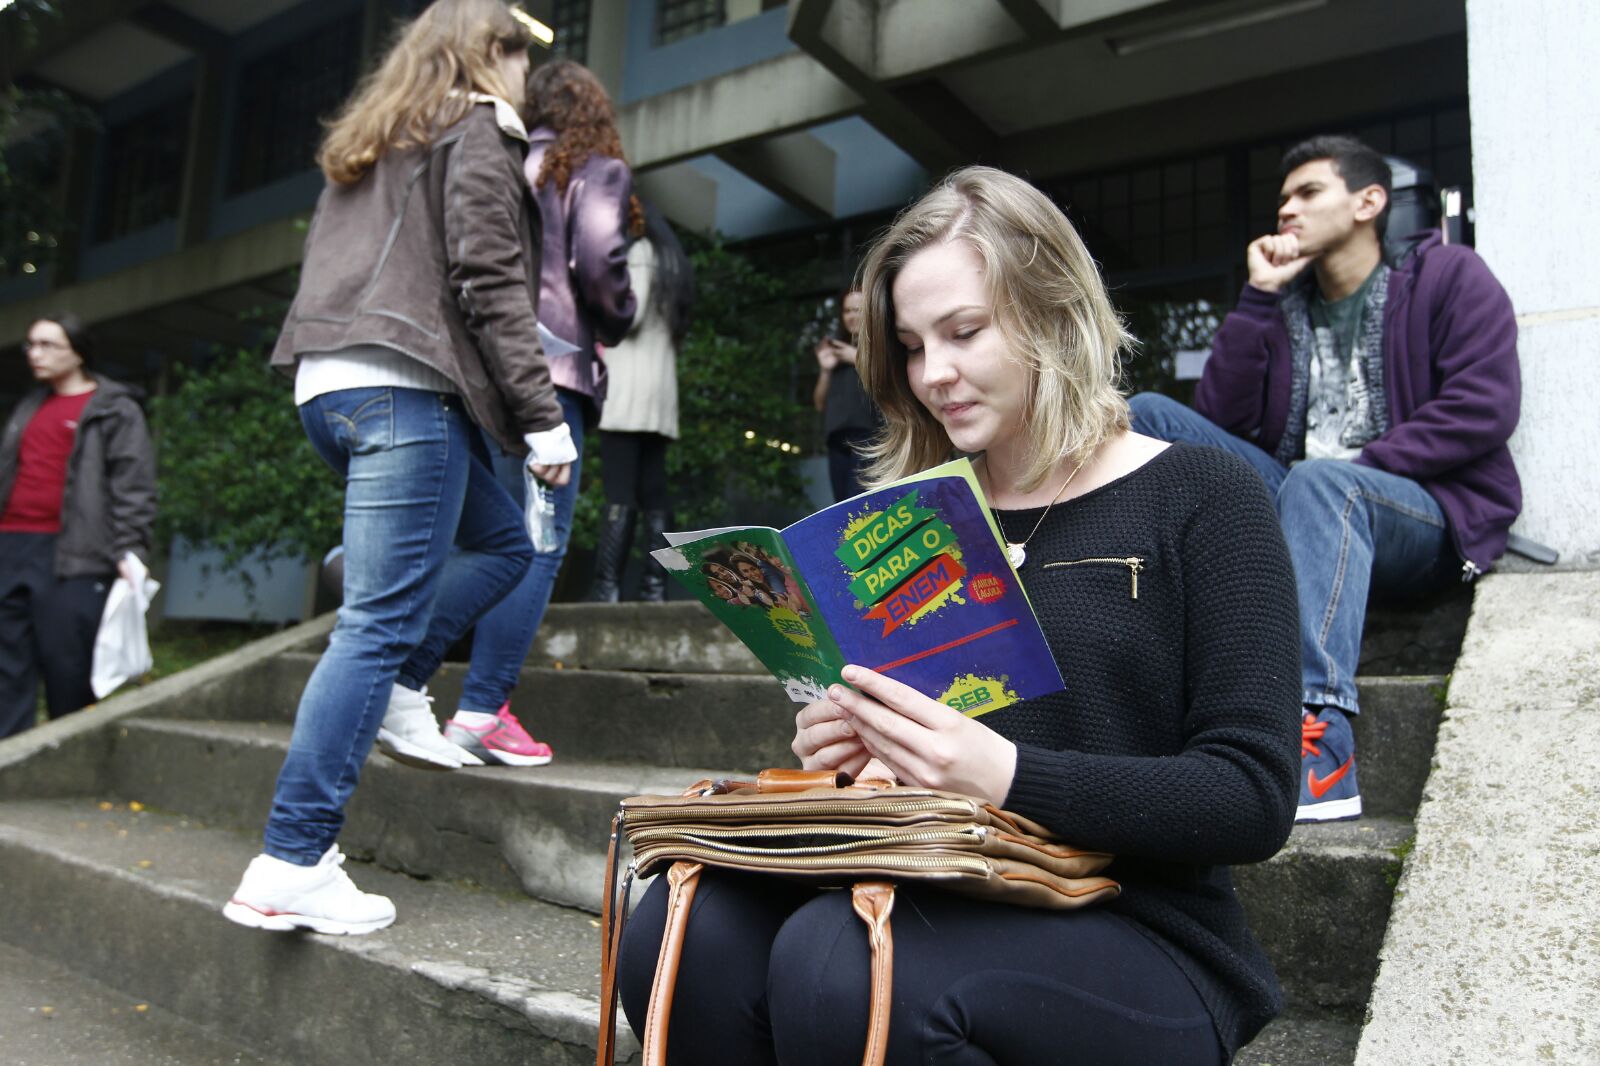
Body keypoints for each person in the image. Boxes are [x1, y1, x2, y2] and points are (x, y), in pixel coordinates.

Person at [616, 166, 1302, 1065]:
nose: (933, 373)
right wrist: (855, 744)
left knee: (844, 964)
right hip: (936, 878)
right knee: (681, 923)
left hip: (1145, 925)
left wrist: (1006, 773)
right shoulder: (904, 523)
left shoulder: (1204, 494)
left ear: (1055, 309)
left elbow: (1251, 795)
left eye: (965, 332)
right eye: (909, 345)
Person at [223, 0, 575, 936]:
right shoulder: (476, 128)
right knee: (372, 624)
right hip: (403, 388)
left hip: (333, 387)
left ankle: (405, 690)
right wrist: (543, 423)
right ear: (488, 54)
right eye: (519, 58)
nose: (525, 78)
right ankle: (292, 858)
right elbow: (489, 278)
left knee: (501, 545)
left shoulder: (379, 136)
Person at [1128, 134, 1521, 823]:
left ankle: (1320, 739)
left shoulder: (1447, 276)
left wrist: (1357, 467)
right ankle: (1145, 664)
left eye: (1308, 193)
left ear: (1369, 201)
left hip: (1423, 513)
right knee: (1150, 416)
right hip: (1306, 500)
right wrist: (1256, 297)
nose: (1286, 210)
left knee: (1321, 482)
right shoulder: (1284, 306)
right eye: (1282, 198)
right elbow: (1219, 420)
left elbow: (1484, 405)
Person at [442, 57, 638, 764]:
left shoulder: (503, 159)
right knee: (536, 545)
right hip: (551, 375)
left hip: (483, 373)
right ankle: (480, 708)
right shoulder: (591, 167)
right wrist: (619, 314)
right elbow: (597, 255)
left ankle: (433, 692)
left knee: (489, 541)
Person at [0, 314, 156, 739]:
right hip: (10, 545)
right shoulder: (29, 406)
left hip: (75, 554)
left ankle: (69, 759)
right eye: (31, 344)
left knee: (68, 666)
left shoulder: (114, 409)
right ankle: (9, 763)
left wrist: (131, 549)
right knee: (7, 665)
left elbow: (133, 484)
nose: (35, 353)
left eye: (48, 344)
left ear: (79, 350)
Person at [588, 201, 695, 603]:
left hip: (626, 390)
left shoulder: (639, 256)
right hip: (658, 394)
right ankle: (654, 587)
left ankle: (607, 588)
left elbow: (626, 317)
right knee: (654, 493)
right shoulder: (673, 263)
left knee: (619, 490)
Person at [812, 286, 878, 500]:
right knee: (841, 507)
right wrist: (825, 370)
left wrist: (857, 358)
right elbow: (820, 404)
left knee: (862, 505)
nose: (851, 316)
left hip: (869, 436)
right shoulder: (836, 351)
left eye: (857, 310)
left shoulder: (880, 347)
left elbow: (892, 385)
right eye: (847, 311)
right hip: (836, 438)